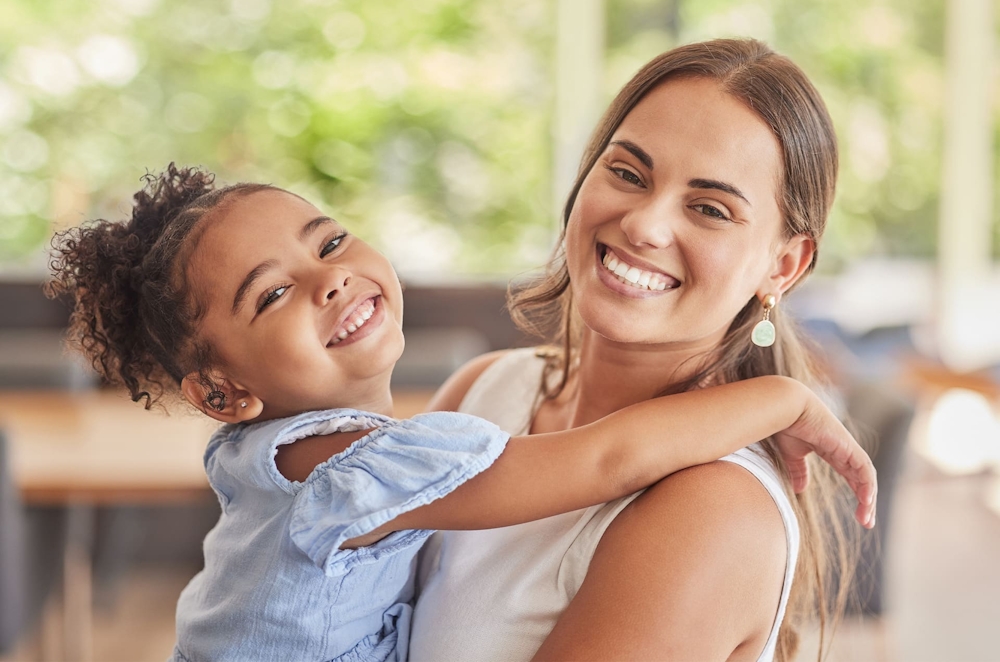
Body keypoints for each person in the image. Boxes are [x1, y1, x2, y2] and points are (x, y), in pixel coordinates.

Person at [46, 163, 873, 662]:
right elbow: (603, 461)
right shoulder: (356, 468)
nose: (327, 279)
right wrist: (783, 396)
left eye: (330, 243)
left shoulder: (283, 452)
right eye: (271, 294)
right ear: (222, 395)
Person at [410, 38, 856, 662]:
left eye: (710, 209)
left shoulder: (712, 509)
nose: (645, 225)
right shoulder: (486, 390)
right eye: (627, 173)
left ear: (783, 265)